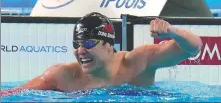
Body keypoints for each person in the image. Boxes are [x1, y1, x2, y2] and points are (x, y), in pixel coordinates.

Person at [1, 12, 202, 96]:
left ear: (108, 44)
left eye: (88, 42)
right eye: (76, 44)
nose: (80, 50)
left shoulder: (138, 62)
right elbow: (12, 94)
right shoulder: (61, 76)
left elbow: (193, 47)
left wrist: (171, 32)